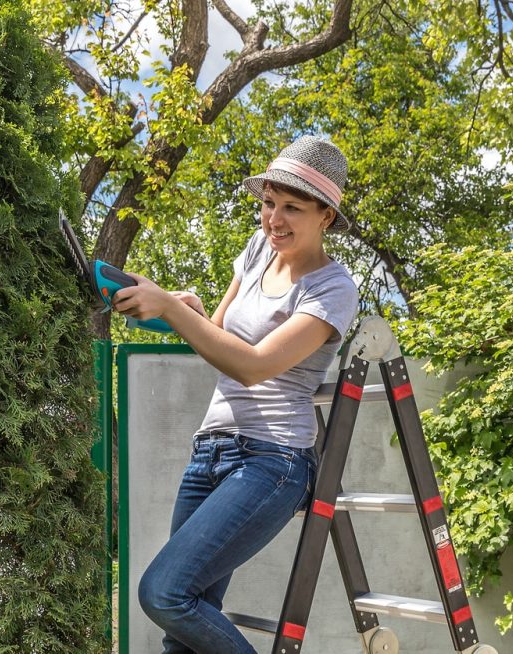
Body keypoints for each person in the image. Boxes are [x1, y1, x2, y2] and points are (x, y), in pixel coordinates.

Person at [111, 135, 360, 654]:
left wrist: (170, 309)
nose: (274, 219)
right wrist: (188, 310)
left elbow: (253, 366)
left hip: (273, 461)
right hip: (210, 450)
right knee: (183, 635)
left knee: (165, 593)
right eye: (269, 202)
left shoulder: (333, 288)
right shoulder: (257, 250)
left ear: (326, 216)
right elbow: (221, 337)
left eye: (292, 208)